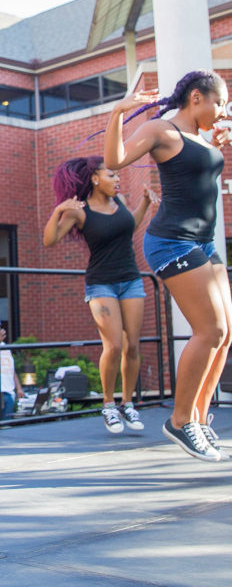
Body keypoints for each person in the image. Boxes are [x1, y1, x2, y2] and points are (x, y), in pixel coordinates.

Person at [104, 70, 232, 461]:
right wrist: (117, 115)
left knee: (225, 334)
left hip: (201, 241)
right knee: (208, 330)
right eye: (220, 102)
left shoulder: (200, 137)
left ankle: (198, 418)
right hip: (171, 241)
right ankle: (180, 421)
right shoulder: (161, 130)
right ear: (197, 97)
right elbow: (115, 159)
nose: (223, 110)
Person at [42, 156, 158, 434]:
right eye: (111, 176)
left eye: (117, 176)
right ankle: (108, 405)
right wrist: (59, 210)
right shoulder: (79, 211)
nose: (117, 180)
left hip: (130, 280)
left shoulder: (119, 203)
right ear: (95, 179)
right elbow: (49, 240)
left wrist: (145, 202)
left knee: (132, 345)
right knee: (114, 345)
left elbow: (129, 227)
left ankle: (128, 403)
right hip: (101, 284)